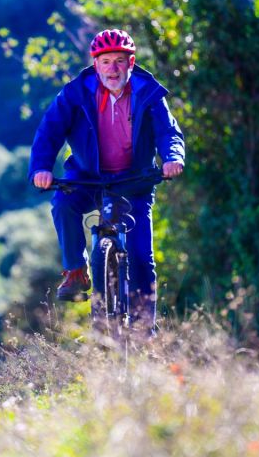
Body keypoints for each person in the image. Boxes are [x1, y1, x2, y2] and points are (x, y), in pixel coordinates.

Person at [29, 28, 185, 329]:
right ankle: (76, 272)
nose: (112, 69)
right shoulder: (75, 93)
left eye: (119, 61)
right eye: (105, 61)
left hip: (135, 182)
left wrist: (172, 158)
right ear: (95, 64)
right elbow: (49, 132)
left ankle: (143, 328)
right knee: (62, 204)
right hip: (88, 177)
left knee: (140, 256)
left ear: (131, 62)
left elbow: (168, 131)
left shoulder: (149, 93)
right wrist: (41, 168)